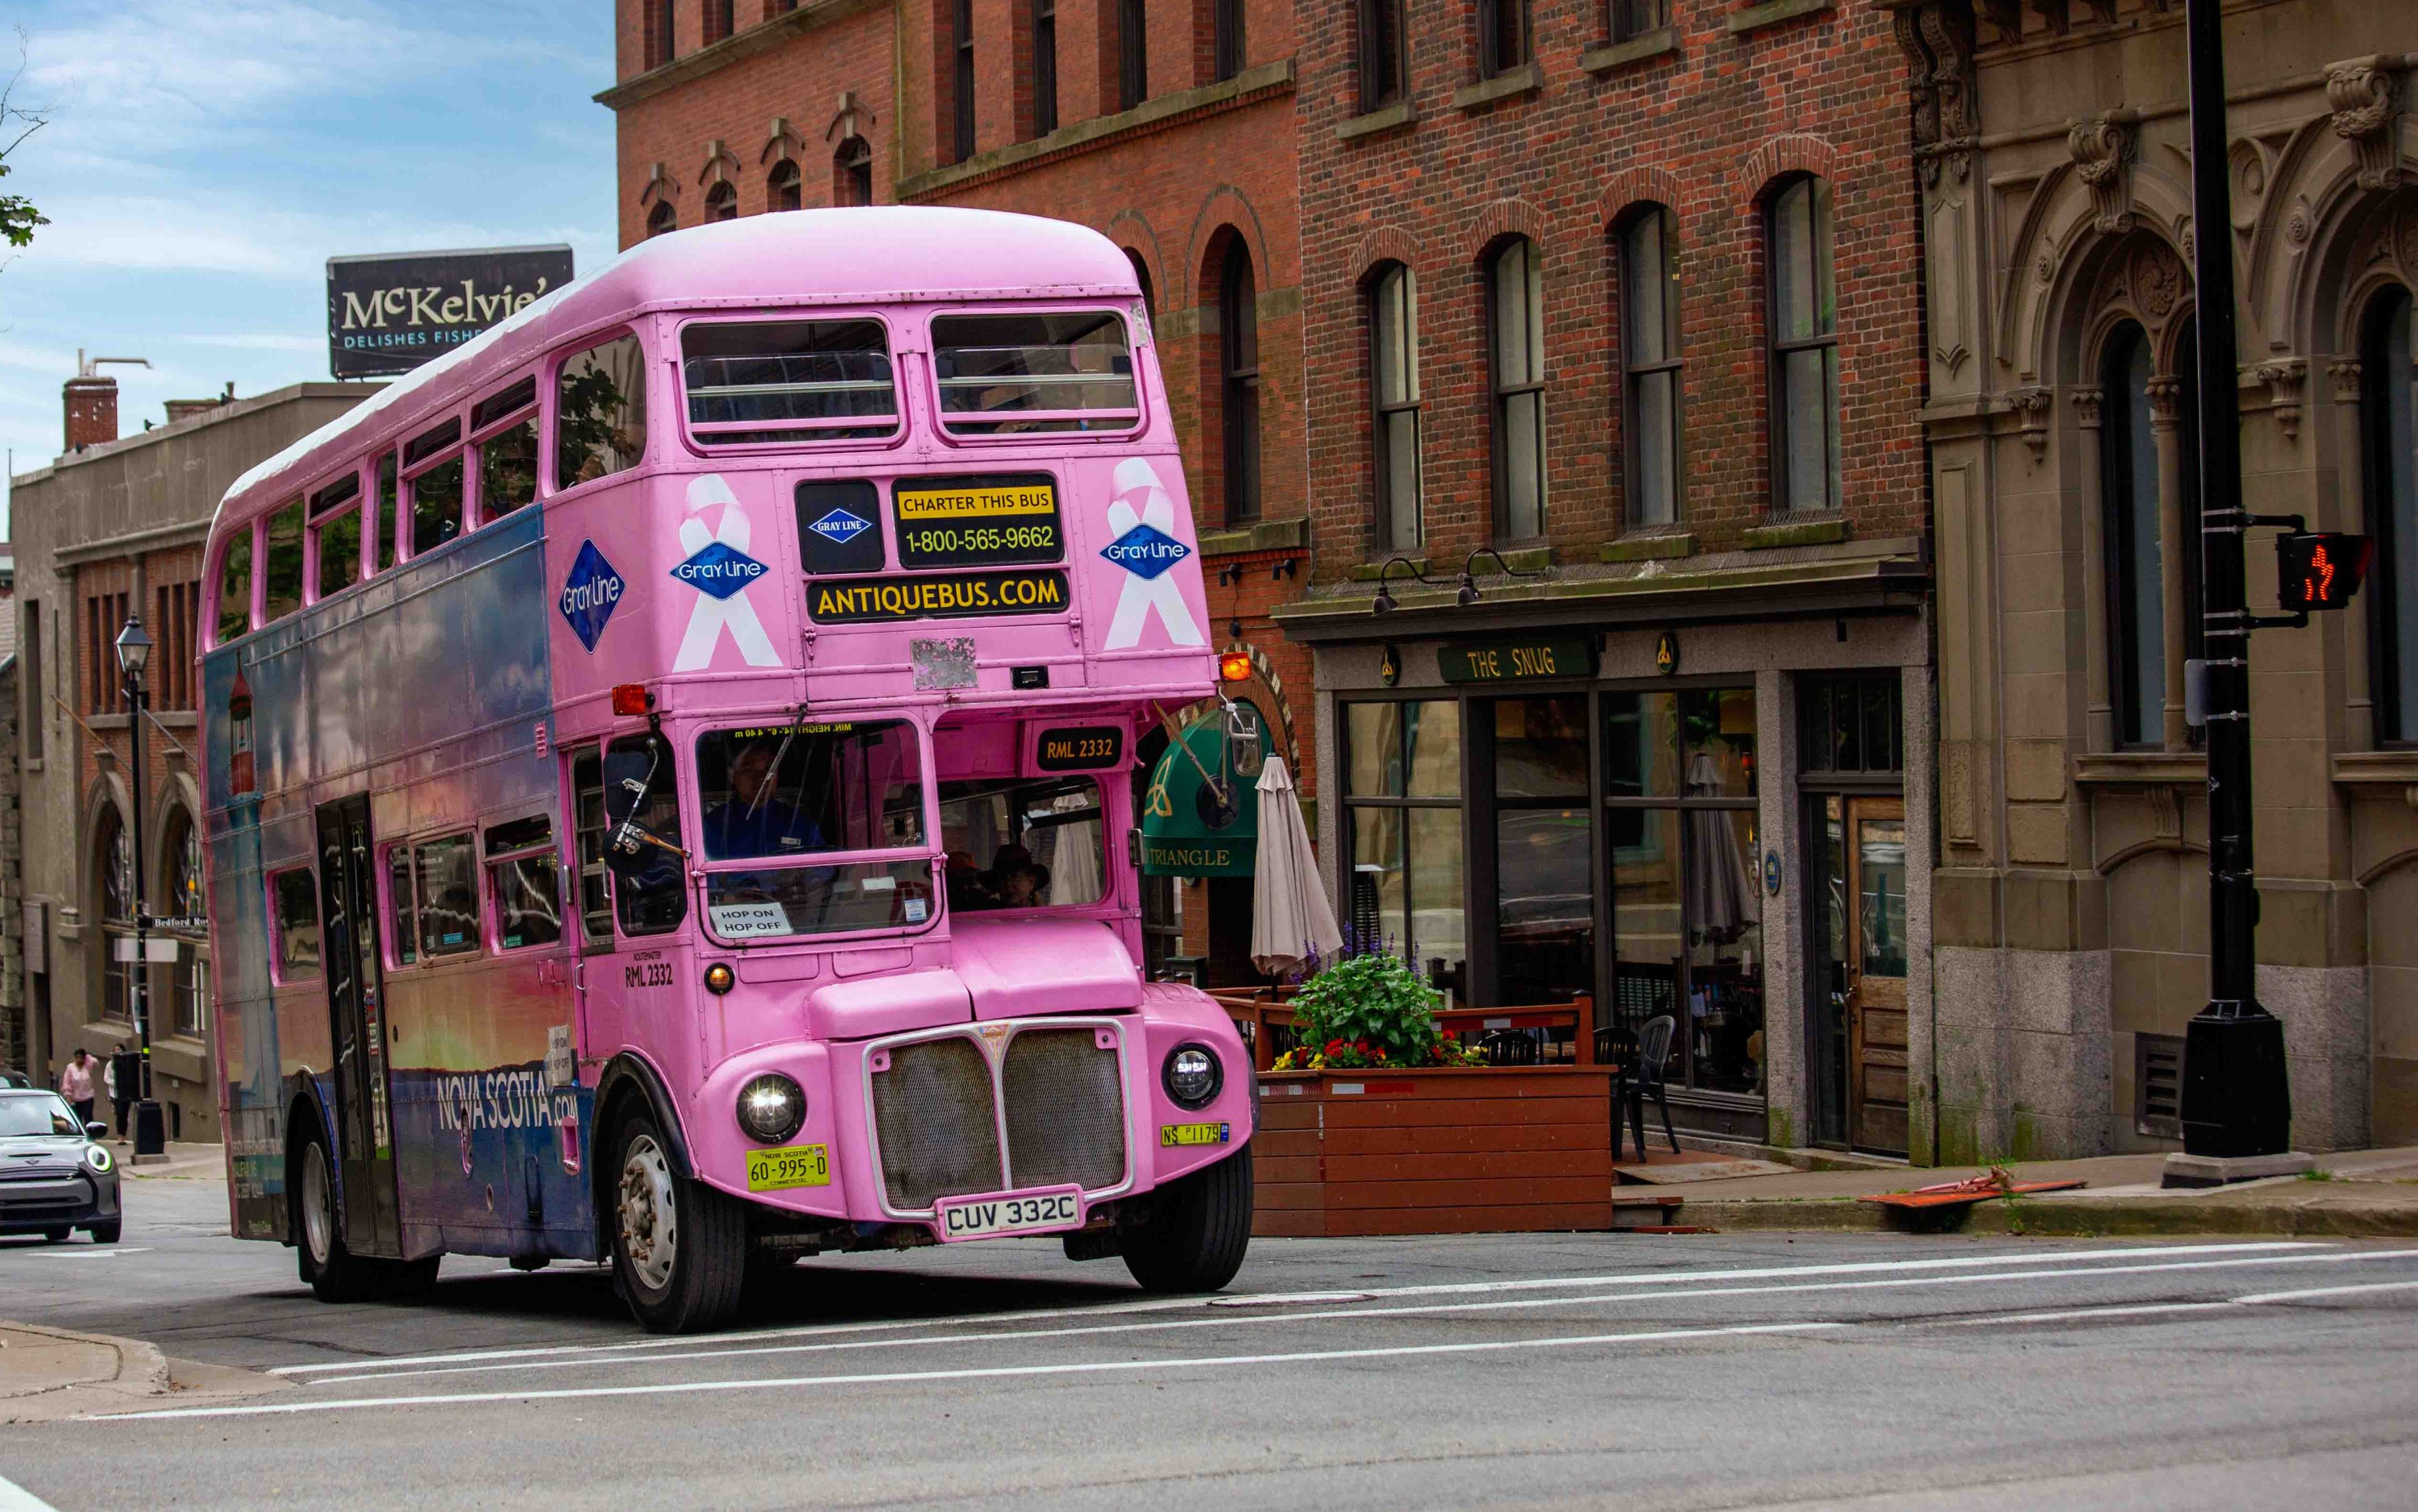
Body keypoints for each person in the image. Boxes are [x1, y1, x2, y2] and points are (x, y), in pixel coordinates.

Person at [704, 740, 825, 859]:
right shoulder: (713, 826)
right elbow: (708, 875)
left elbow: (822, 871)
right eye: (749, 770)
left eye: (769, 769)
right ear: (732, 776)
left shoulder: (800, 824)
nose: (762, 777)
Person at [107, 1043, 142, 1140]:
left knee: (125, 1113)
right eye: (116, 1049)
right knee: (119, 1114)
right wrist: (116, 1083)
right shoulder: (111, 1064)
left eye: (119, 1049)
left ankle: (124, 1134)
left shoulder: (127, 1062)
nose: (118, 1051)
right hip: (116, 1093)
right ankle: (120, 1136)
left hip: (126, 1092)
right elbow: (106, 1077)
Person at [57, 1049, 98, 1128]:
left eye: (81, 1057)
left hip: (88, 1097)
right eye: (77, 1057)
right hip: (75, 1098)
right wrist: (68, 1095)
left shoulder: (87, 1066)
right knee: (77, 1119)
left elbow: (95, 1062)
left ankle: (90, 1134)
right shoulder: (70, 1067)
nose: (79, 1059)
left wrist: (88, 1057)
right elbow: (66, 1082)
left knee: (88, 1117)